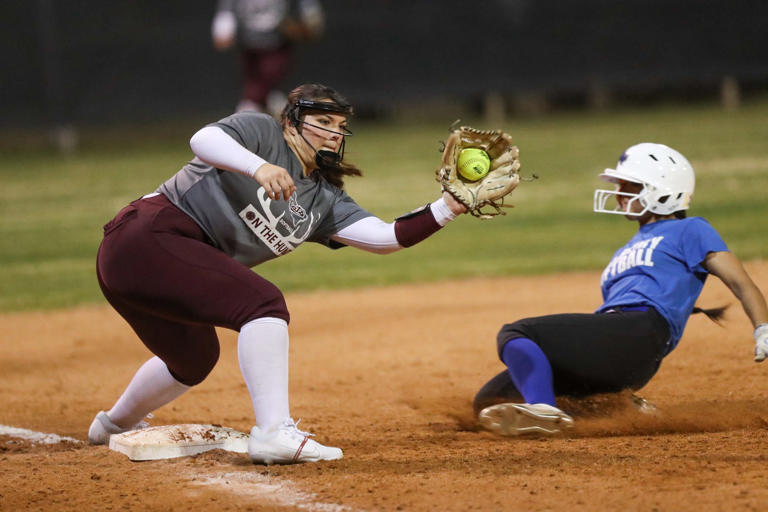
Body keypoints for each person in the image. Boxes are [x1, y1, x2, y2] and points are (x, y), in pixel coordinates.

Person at [88, 83, 468, 464]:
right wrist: (259, 166)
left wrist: (449, 206)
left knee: (194, 359)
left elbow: (387, 237)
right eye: (323, 121)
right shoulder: (262, 133)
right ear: (291, 121)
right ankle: (273, 433)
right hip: (145, 239)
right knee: (263, 305)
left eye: (339, 125)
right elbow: (202, 139)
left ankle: (114, 425)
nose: (334, 133)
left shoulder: (323, 199)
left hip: (148, 268)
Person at [474, 142, 768, 436]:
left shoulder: (690, 229)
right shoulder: (625, 249)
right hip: (617, 345)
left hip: (641, 331)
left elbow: (742, 283)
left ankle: (545, 411)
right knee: (490, 402)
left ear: (662, 192)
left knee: (519, 333)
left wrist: (762, 328)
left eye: (630, 186)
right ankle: (617, 408)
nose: (619, 194)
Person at [212, 0, 325, 114]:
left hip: (278, 43)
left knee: (263, 85)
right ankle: (271, 106)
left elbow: (309, 14)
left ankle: (250, 109)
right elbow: (228, 9)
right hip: (249, 45)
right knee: (258, 85)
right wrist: (223, 29)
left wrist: (307, 23)